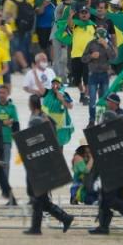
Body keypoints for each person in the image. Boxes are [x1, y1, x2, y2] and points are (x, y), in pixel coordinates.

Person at [23, 95, 74, 235]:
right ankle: (65, 218)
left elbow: (50, 133)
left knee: (39, 197)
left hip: (42, 162)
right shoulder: (38, 116)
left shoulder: (41, 117)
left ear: (32, 104)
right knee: (42, 200)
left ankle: (36, 228)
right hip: (38, 160)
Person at [82, 26, 117, 123]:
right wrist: (91, 56)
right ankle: (92, 120)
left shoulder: (108, 44)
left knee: (105, 99)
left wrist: (106, 46)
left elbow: (114, 57)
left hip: (104, 74)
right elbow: (83, 58)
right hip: (93, 74)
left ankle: (105, 119)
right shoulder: (91, 44)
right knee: (92, 99)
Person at [0, 84, 19, 182]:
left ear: (8, 94)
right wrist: (5, 122)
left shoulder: (12, 107)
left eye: (3, 93)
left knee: (6, 163)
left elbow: (16, 124)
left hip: (7, 139)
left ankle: (5, 185)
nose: (1, 95)